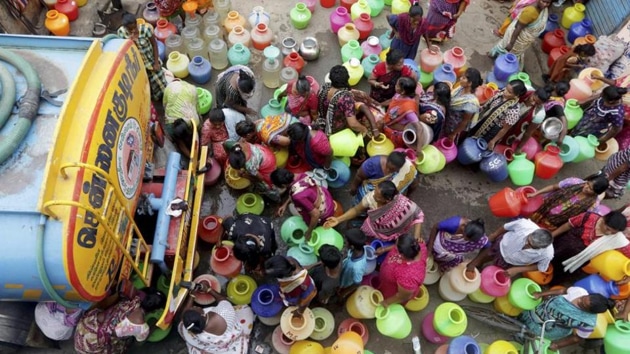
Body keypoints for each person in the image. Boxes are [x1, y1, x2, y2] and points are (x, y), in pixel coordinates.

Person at [324, 181, 424, 242]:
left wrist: (416, 236)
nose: (373, 195)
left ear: (387, 200)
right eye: (375, 191)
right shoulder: (371, 198)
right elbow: (356, 210)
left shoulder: (403, 203)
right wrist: (338, 219)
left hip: (392, 233)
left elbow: (418, 214)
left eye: (377, 196)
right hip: (372, 228)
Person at [519, 287, 614, 350]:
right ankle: (520, 321)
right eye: (584, 297)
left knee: (530, 335)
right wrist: (541, 294)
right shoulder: (580, 291)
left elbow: (577, 338)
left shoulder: (587, 323)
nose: (579, 299)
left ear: (589, 312)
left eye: (582, 304)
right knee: (524, 317)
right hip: (541, 310)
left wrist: (557, 345)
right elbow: (562, 291)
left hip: (550, 328)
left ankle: (521, 337)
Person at [74, 289, 166, 353]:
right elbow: (139, 343)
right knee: (122, 346)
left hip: (85, 325)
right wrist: (154, 326)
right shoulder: (142, 328)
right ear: (154, 311)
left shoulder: (132, 301)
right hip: (90, 345)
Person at [466, 218, 554, 277]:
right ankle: (479, 265)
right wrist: (493, 236)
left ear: (541, 248)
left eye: (531, 245)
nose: (527, 243)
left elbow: (540, 267)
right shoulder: (524, 224)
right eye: (528, 239)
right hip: (501, 245)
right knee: (485, 256)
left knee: (495, 270)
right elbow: (506, 227)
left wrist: (518, 269)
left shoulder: (547, 254)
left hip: (510, 262)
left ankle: (486, 274)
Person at [178, 288, 254, 354]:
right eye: (195, 307)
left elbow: (184, 316)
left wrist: (192, 296)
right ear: (202, 315)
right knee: (246, 310)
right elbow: (223, 300)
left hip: (211, 345)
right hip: (227, 338)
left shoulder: (190, 326)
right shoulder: (222, 315)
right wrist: (209, 289)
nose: (194, 306)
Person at [550, 211, 628, 272]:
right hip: (561, 245)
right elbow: (569, 225)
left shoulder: (616, 238)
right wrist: (552, 235)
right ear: (603, 219)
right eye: (607, 229)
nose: (609, 233)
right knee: (550, 257)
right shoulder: (589, 217)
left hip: (577, 259)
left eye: (613, 232)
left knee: (558, 269)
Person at [272, 169, 335, 241]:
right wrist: (285, 205)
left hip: (325, 212)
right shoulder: (300, 175)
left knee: (312, 222)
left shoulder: (297, 197)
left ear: (283, 185)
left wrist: (309, 232)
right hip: (325, 198)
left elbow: (316, 214)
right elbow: (296, 190)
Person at [528, 176, 609, 230]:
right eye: (587, 183)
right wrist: (535, 193)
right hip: (543, 208)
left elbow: (574, 222)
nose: (586, 187)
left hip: (553, 223)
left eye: (591, 189)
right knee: (528, 223)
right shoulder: (574, 182)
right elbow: (553, 187)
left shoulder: (593, 206)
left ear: (596, 193)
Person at [117, 13, 167, 101]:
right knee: (147, 87)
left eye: (134, 27)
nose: (133, 31)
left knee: (161, 84)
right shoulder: (121, 33)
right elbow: (123, 49)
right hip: (138, 67)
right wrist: (130, 42)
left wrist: (156, 62)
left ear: (136, 23)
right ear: (125, 28)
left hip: (151, 62)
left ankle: (165, 98)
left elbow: (154, 45)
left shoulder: (145, 30)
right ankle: (155, 100)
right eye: (130, 29)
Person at [317, 65, 377, 136]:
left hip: (323, 118)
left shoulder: (324, 87)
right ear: (346, 79)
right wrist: (363, 129)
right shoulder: (346, 99)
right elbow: (353, 124)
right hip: (335, 127)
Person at [468, 79, 528, 150]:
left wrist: (493, 141)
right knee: (470, 135)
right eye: (506, 88)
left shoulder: (514, 111)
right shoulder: (502, 92)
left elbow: (504, 129)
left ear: (516, 95)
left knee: (476, 146)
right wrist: (479, 105)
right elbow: (490, 100)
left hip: (491, 130)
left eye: (509, 92)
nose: (505, 92)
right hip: (484, 118)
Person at [489, 0, 551, 67]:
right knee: (506, 49)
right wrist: (511, 43)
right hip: (517, 36)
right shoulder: (530, 12)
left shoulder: (542, 9)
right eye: (543, 1)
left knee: (510, 51)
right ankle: (499, 62)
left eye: (548, 3)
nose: (545, 5)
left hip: (524, 36)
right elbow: (518, 27)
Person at [380, 77, 432, 155]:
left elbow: (419, 127)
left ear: (403, 91)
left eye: (397, 85)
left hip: (396, 134)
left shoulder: (409, 110)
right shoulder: (398, 95)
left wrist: (418, 149)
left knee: (391, 148)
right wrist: (379, 104)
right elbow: (392, 100)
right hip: (388, 123)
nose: (395, 86)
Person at [512, 84, 569, 152]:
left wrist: (560, 139)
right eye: (533, 99)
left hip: (547, 122)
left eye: (537, 103)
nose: (533, 103)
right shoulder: (546, 90)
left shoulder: (556, 106)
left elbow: (564, 120)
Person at [376, 234, 428, 307]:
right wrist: (384, 249)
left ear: (402, 255)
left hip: (391, 290)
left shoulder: (408, 277)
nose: (395, 247)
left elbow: (402, 296)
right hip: (387, 281)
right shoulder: (418, 246)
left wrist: (386, 303)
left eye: (396, 248)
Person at [348, 151, 417, 204]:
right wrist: (354, 188)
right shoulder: (372, 165)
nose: (388, 170)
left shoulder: (405, 170)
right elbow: (359, 176)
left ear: (399, 169)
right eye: (387, 167)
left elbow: (413, 183)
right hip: (367, 192)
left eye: (392, 169)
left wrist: (408, 196)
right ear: (387, 160)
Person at [163, 79, 200, 157]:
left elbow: (165, 106)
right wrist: (192, 158)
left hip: (188, 101)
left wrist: (193, 157)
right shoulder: (170, 126)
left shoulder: (193, 120)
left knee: (196, 130)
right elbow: (197, 107)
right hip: (174, 117)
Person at [445, 68, 483, 141]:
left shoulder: (470, 104)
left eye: (464, 78)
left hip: (453, 124)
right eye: (462, 76)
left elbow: (464, 122)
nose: (460, 79)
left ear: (470, 83)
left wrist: (453, 134)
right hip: (448, 116)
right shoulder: (461, 88)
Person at [339, 229, 369, 298]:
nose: (344, 243)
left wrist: (344, 292)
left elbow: (357, 283)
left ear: (352, 246)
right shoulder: (358, 248)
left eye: (346, 242)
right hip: (344, 271)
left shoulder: (357, 267)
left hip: (346, 281)